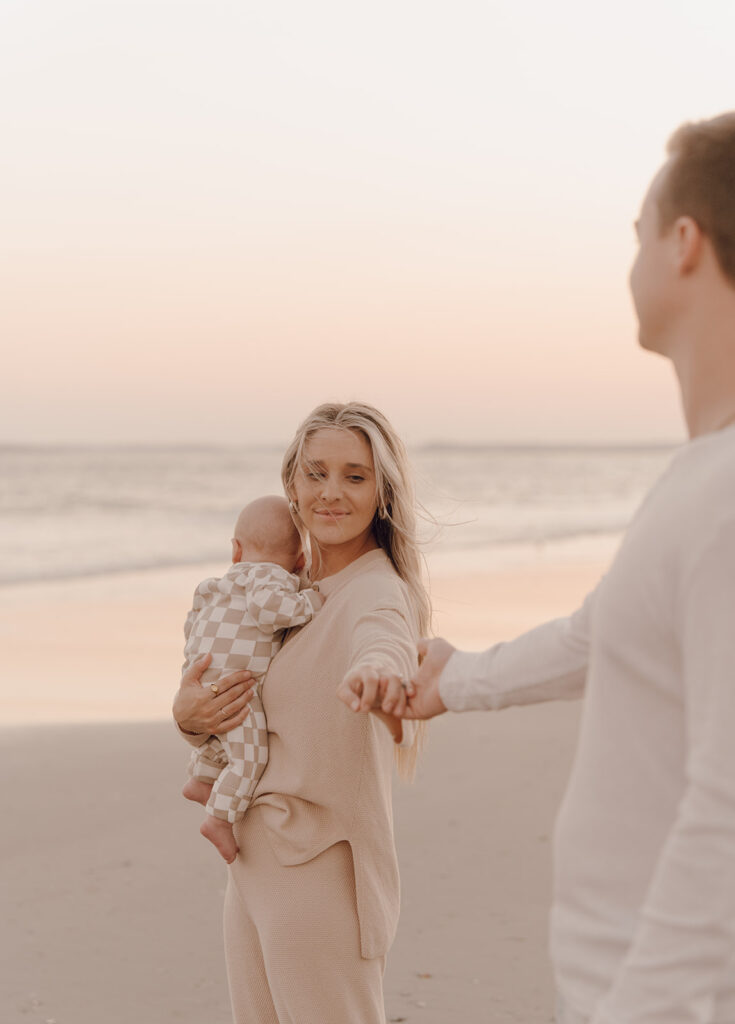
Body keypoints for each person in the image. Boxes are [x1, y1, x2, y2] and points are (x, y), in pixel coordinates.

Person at [340, 113, 735, 1024]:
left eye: (636, 235)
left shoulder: (722, 499)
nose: (628, 260)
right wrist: (457, 679)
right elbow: (600, 636)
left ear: (683, 244)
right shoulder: (699, 479)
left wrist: (644, 1006)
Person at [173, 402, 429, 1024]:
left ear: (383, 492)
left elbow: (386, 636)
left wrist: (381, 673)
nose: (331, 493)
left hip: (321, 870)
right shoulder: (280, 593)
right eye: (315, 474)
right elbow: (235, 696)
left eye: (355, 475)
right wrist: (188, 714)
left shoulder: (374, 590)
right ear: (291, 483)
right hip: (254, 861)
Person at [181, 494, 323, 864]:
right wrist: (312, 603)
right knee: (249, 757)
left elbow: (192, 622)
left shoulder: (218, 584)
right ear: (301, 559)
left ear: (235, 550)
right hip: (238, 683)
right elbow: (269, 610)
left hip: (202, 669)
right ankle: (219, 818)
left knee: (221, 736)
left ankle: (203, 777)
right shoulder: (272, 578)